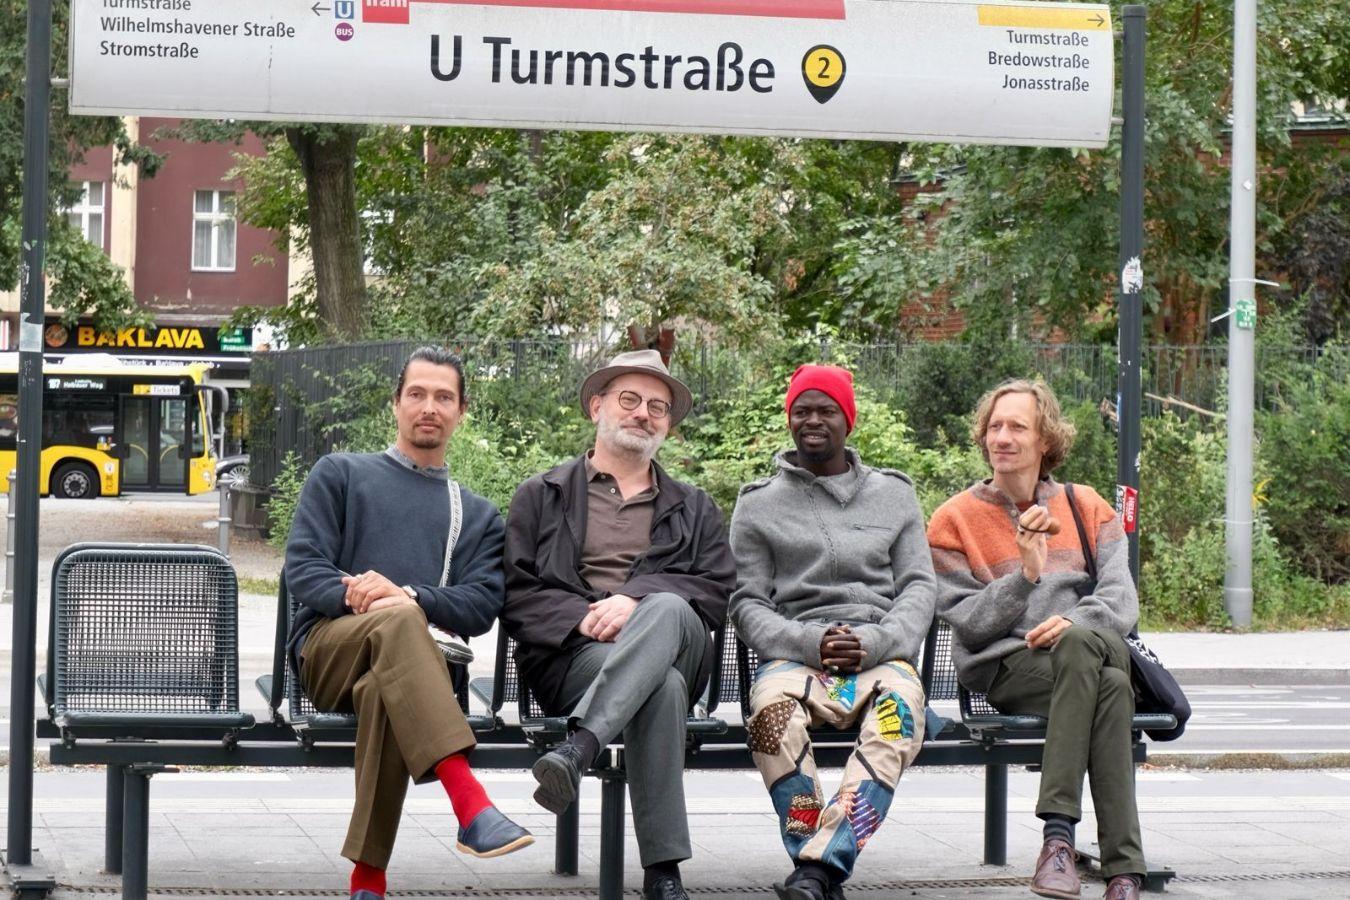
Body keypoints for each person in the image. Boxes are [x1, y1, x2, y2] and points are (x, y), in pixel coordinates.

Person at [285, 347, 532, 900]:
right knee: (397, 621)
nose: (429, 407)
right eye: (417, 394)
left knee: (386, 685)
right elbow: (303, 568)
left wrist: (412, 596)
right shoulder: (341, 474)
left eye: (444, 397)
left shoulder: (477, 514)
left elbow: (481, 606)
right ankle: (469, 802)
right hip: (329, 654)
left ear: (461, 412)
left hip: (418, 677)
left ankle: (367, 882)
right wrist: (372, 600)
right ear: (395, 403)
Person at [502, 349, 736, 900]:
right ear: (596, 407)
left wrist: (637, 601)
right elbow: (516, 594)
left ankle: (579, 747)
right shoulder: (542, 494)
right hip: (574, 657)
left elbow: (717, 590)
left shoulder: (694, 506)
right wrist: (583, 620)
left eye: (657, 407)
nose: (643, 414)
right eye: (629, 399)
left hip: (677, 643)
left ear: (668, 426)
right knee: (662, 687)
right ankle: (663, 873)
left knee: (668, 608)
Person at [927, 379, 1144, 900]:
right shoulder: (954, 519)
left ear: (1045, 439)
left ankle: (1058, 841)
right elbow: (968, 621)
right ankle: (1124, 871)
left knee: (1080, 647)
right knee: (1112, 689)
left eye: (1017, 427)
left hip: (1093, 642)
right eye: (994, 426)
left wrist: (1075, 622)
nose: (1002, 437)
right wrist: (1025, 576)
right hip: (1012, 664)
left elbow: (1121, 598)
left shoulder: (1087, 506)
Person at [729, 364, 935, 900]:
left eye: (826, 410)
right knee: (770, 722)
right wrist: (807, 642)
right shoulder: (757, 504)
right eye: (802, 411)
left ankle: (816, 871)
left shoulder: (894, 494)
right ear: (789, 419)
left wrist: (877, 641)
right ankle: (817, 862)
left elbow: (919, 588)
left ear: (849, 420)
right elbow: (747, 602)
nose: (813, 420)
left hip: (880, 655)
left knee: (896, 721)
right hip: (793, 656)